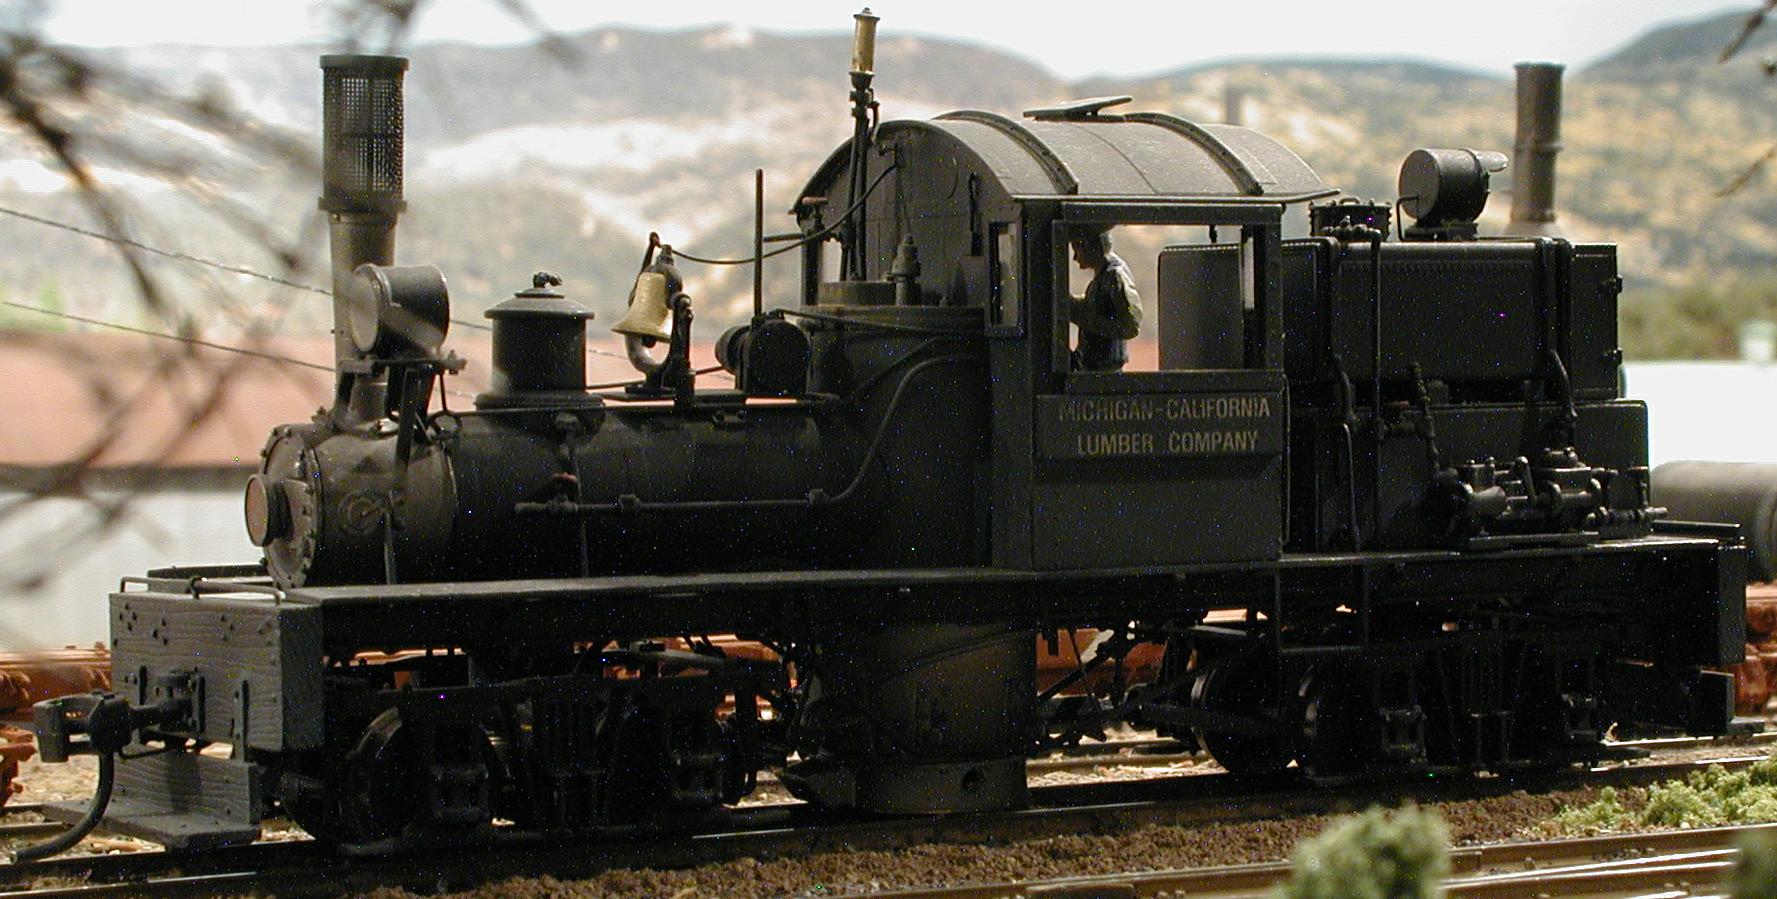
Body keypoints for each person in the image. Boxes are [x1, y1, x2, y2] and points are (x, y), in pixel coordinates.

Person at [1067, 227, 1142, 371]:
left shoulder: (1114, 276)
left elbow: (1130, 326)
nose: (1075, 258)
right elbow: (1101, 306)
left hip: (1106, 370)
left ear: (1090, 247)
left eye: (1077, 249)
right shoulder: (1103, 276)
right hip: (1092, 365)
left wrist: (1086, 319)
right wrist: (1074, 305)